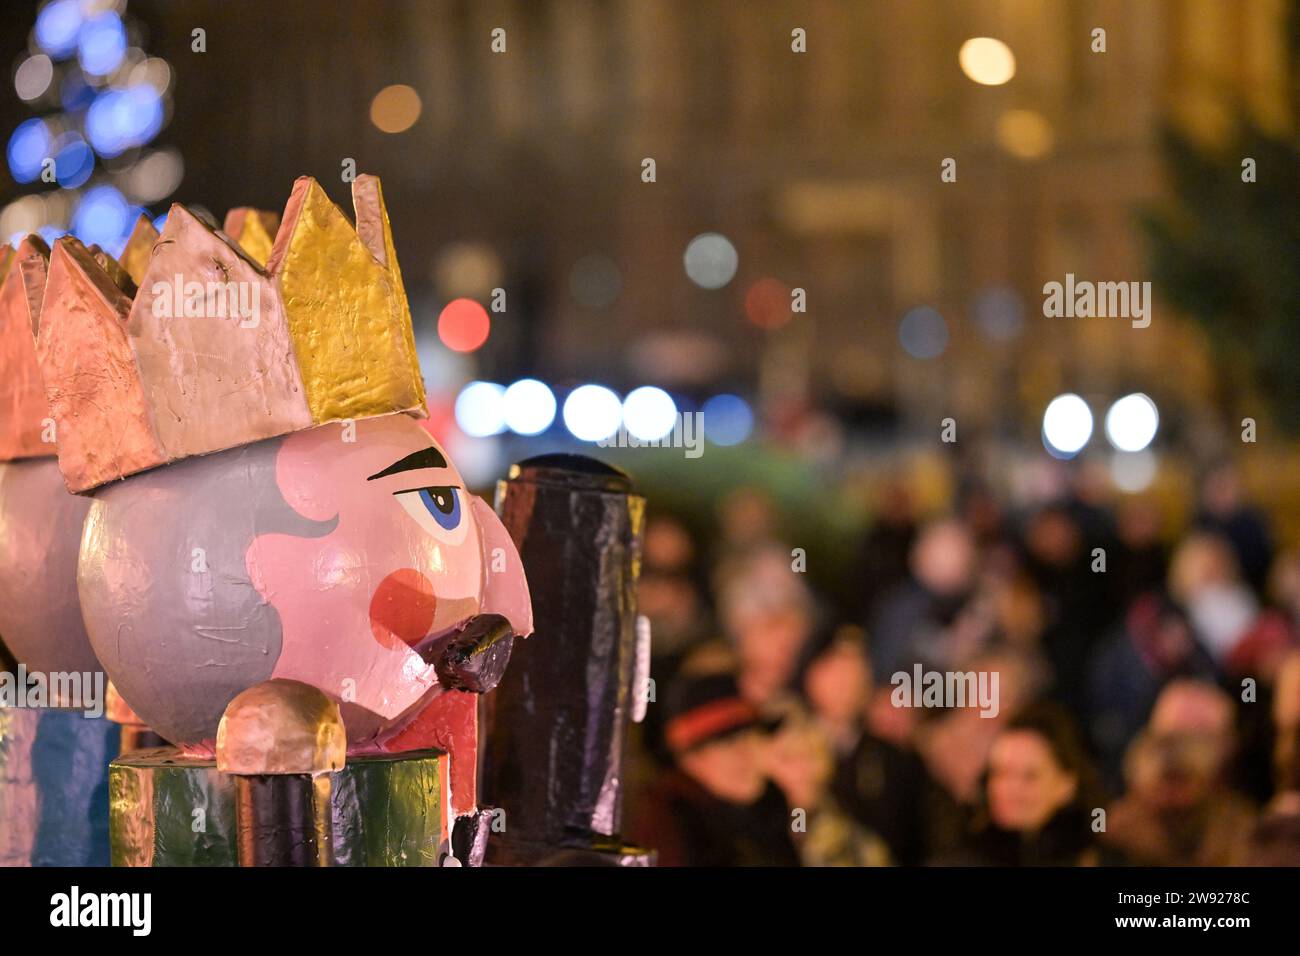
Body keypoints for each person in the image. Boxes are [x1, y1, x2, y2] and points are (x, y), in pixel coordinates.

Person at [633, 671, 800, 866]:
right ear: (689, 761)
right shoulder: (669, 823)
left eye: (751, 737)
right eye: (727, 744)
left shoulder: (772, 807)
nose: (746, 755)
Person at [939, 703, 1102, 866]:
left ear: (1066, 786)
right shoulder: (963, 851)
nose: (1009, 788)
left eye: (1029, 776)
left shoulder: (1092, 856)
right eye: (1000, 772)